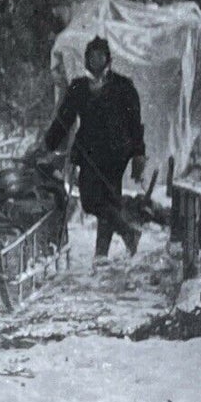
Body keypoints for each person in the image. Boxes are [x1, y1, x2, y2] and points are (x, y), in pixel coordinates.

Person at [43, 34, 146, 259]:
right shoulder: (79, 87)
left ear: (108, 59)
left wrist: (138, 153)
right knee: (91, 201)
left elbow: (135, 123)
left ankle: (101, 254)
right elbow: (64, 118)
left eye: (100, 56)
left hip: (116, 154)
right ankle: (128, 233)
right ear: (86, 59)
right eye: (92, 56)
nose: (96, 60)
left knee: (107, 201)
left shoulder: (123, 86)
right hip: (89, 154)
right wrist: (49, 143)